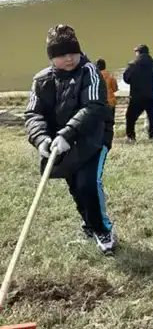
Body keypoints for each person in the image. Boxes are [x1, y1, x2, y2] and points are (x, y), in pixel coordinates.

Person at [25, 25, 115, 254]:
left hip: (93, 139)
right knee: (75, 186)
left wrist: (67, 133)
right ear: (51, 57)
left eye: (73, 52)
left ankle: (102, 229)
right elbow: (33, 114)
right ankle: (88, 225)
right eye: (62, 54)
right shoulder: (41, 80)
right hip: (60, 146)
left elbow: (94, 106)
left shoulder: (89, 71)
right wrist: (41, 139)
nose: (69, 58)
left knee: (88, 184)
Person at [123, 44, 153, 141]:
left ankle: (131, 136)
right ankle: (152, 136)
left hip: (137, 96)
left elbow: (126, 78)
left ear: (138, 53)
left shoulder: (132, 64)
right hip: (151, 96)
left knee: (130, 117)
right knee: (152, 117)